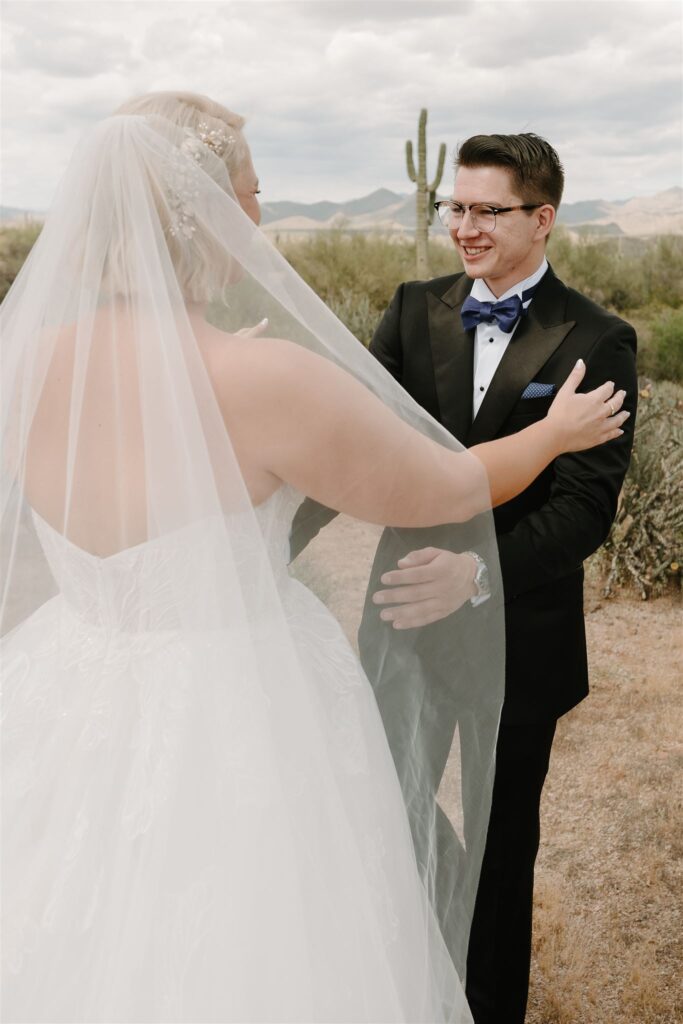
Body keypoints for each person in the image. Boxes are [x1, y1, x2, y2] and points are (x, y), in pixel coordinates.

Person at [0, 95, 628, 1024]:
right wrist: (552, 433)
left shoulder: (26, 361)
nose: (256, 216)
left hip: (65, 693)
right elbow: (442, 486)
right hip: (239, 701)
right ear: (206, 212)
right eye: (251, 194)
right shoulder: (273, 379)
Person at [349, 133, 637, 1023]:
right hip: (399, 622)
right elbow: (353, 442)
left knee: (501, 848)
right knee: (379, 818)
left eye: (485, 210)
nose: (462, 228)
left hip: (519, 640)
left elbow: (584, 509)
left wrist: (473, 574)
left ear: (540, 218)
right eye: (453, 208)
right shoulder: (411, 308)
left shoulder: (597, 336)